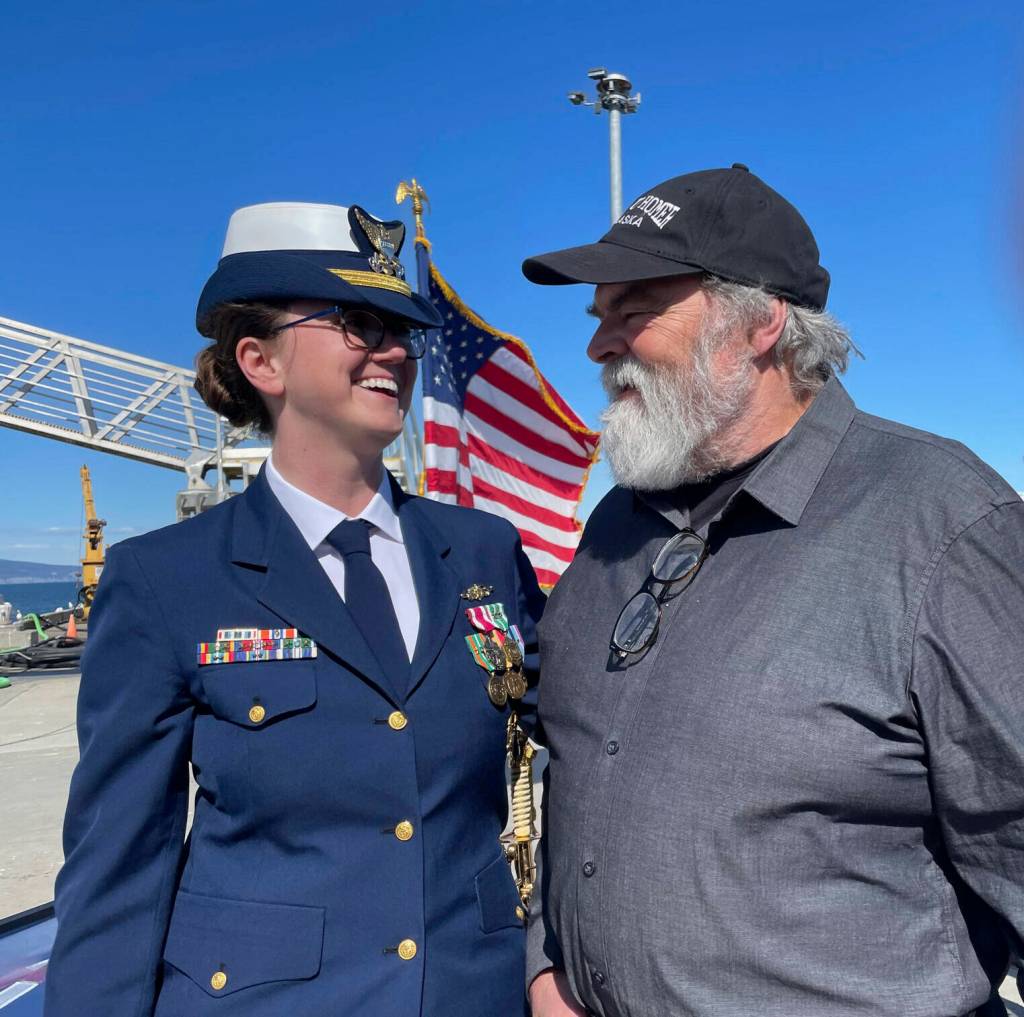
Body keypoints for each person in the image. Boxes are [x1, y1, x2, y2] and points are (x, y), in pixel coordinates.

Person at [520, 165, 1024, 1017]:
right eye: (598, 318)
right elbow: (567, 763)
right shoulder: (615, 524)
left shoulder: (943, 525)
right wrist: (548, 964)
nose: (598, 347)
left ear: (758, 324)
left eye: (633, 309)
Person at [45, 200, 545, 1016]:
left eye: (402, 329)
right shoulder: (165, 579)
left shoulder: (484, 551)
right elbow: (118, 864)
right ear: (259, 361)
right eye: (359, 321)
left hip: (475, 993)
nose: (394, 350)